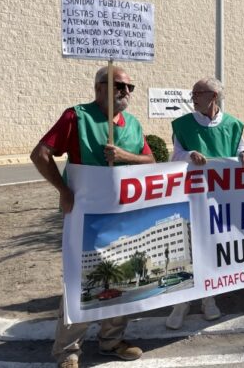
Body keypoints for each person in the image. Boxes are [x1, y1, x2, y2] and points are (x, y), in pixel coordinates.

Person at [30, 66, 153, 367]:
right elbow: (41, 154)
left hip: (123, 215)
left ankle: (111, 340)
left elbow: (150, 160)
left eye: (129, 88)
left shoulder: (133, 124)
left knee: (122, 276)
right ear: (99, 88)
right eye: (119, 86)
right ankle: (68, 350)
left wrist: (126, 157)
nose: (126, 92)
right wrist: (63, 190)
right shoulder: (77, 117)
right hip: (87, 216)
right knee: (83, 279)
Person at [166, 77, 244, 329]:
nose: (192, 97)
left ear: (213, 96)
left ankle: (208, 298)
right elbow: (176, 155)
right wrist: (189, 155)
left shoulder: (234, 125)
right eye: (192, 93)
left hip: (221, 198)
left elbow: (240, 152)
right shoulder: (181, 125)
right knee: (188, 246)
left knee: (212, 245)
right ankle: (181, 302)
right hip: (191, 196)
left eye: (197, 93)